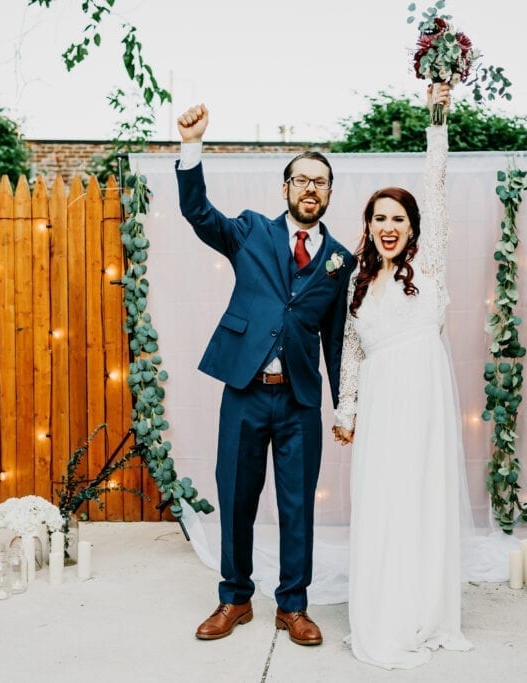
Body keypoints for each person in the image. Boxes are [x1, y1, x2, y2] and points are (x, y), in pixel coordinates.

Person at [175, 103, 355, 646]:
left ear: (328, 194)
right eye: (302, 179)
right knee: (236, 498)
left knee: (297, 505)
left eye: (320, 182)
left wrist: (344, 404)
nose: (310, 189)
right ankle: (235, 598)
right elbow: (200, 214)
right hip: (246, 391)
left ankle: (292, 606)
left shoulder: (340, 261)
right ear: (285, 189)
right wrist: (191, 147)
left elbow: (337, 341)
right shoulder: (251, 231)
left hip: (300, 400)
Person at [333, 83, 473, 669]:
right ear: (369, 225)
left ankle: (424, 608)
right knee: (382, 503)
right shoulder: (358, 282)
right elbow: (351, 351)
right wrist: (346, 409)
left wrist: (438, 115)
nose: (389, 226)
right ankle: (383, 608)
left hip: (425, 402)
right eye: (379, 218)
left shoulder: (430, 265)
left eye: (399, 218)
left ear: (414, 228)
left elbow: (437, 188)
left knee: (421, 500)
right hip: (381, 404)